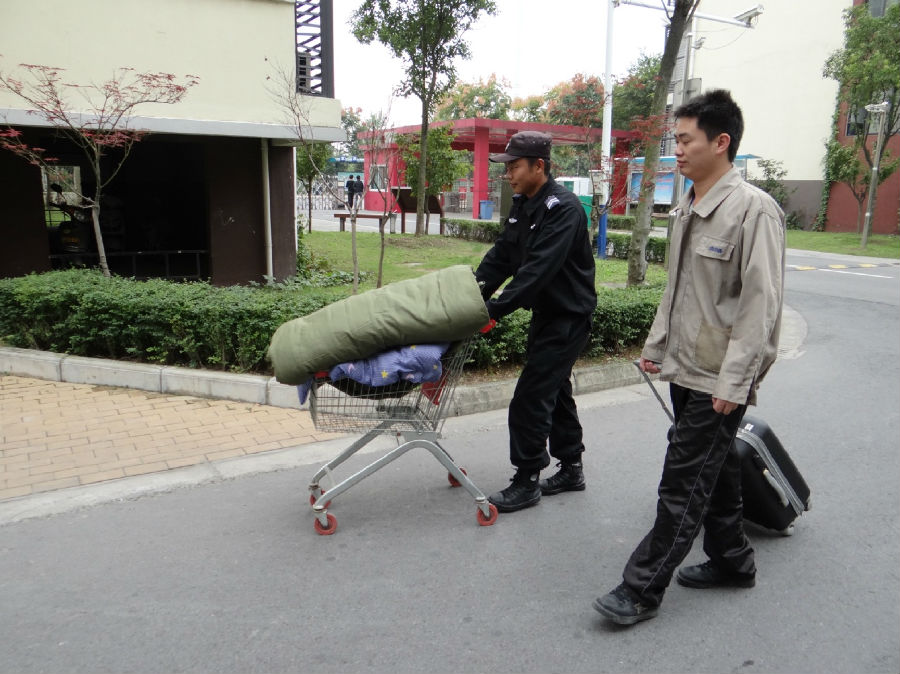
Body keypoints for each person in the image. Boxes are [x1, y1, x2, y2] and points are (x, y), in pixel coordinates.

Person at [593, 89, 786, 626]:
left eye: (685, 139)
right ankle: (732, 561)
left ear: (721, 142)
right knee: (713, 467)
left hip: (718, 378)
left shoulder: (753, 210)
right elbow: (677, 291)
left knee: (682, 482)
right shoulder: (688, 206)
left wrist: (736, 382)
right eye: (674, 140)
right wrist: (657, 347)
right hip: (687, 367)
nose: (676, 150)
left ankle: (640, 589)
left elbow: (761, 307)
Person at [474, 131, 597, 513]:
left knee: (530, 397)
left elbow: (537, 271)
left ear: (538, 166)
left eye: (514, 166)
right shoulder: (523, 204)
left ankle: (527, 480)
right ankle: (572, 468)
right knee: (555, 390)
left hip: (568, 317)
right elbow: (503, 256)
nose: (508, 174)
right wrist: (472, 294)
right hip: (547, 313)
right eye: (507, 167)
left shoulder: (564, 209)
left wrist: (493, 310)